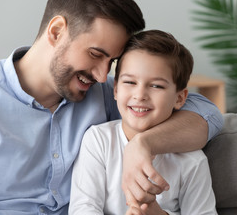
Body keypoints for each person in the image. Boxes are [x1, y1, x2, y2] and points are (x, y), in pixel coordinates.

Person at [0, 0, 223, 214]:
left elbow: (208, 114)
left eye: (111, 61)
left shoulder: (107, 94)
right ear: (57, 31)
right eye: (95, 54)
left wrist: (144, 145)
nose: (103, 76)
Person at [69, 30, 218, 215]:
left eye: (156, 86)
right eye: (130, 82)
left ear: (179, 98)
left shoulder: (192, 161)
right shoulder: (98, 141)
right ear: (115, 89)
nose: (140, 95)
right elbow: (82, 208)